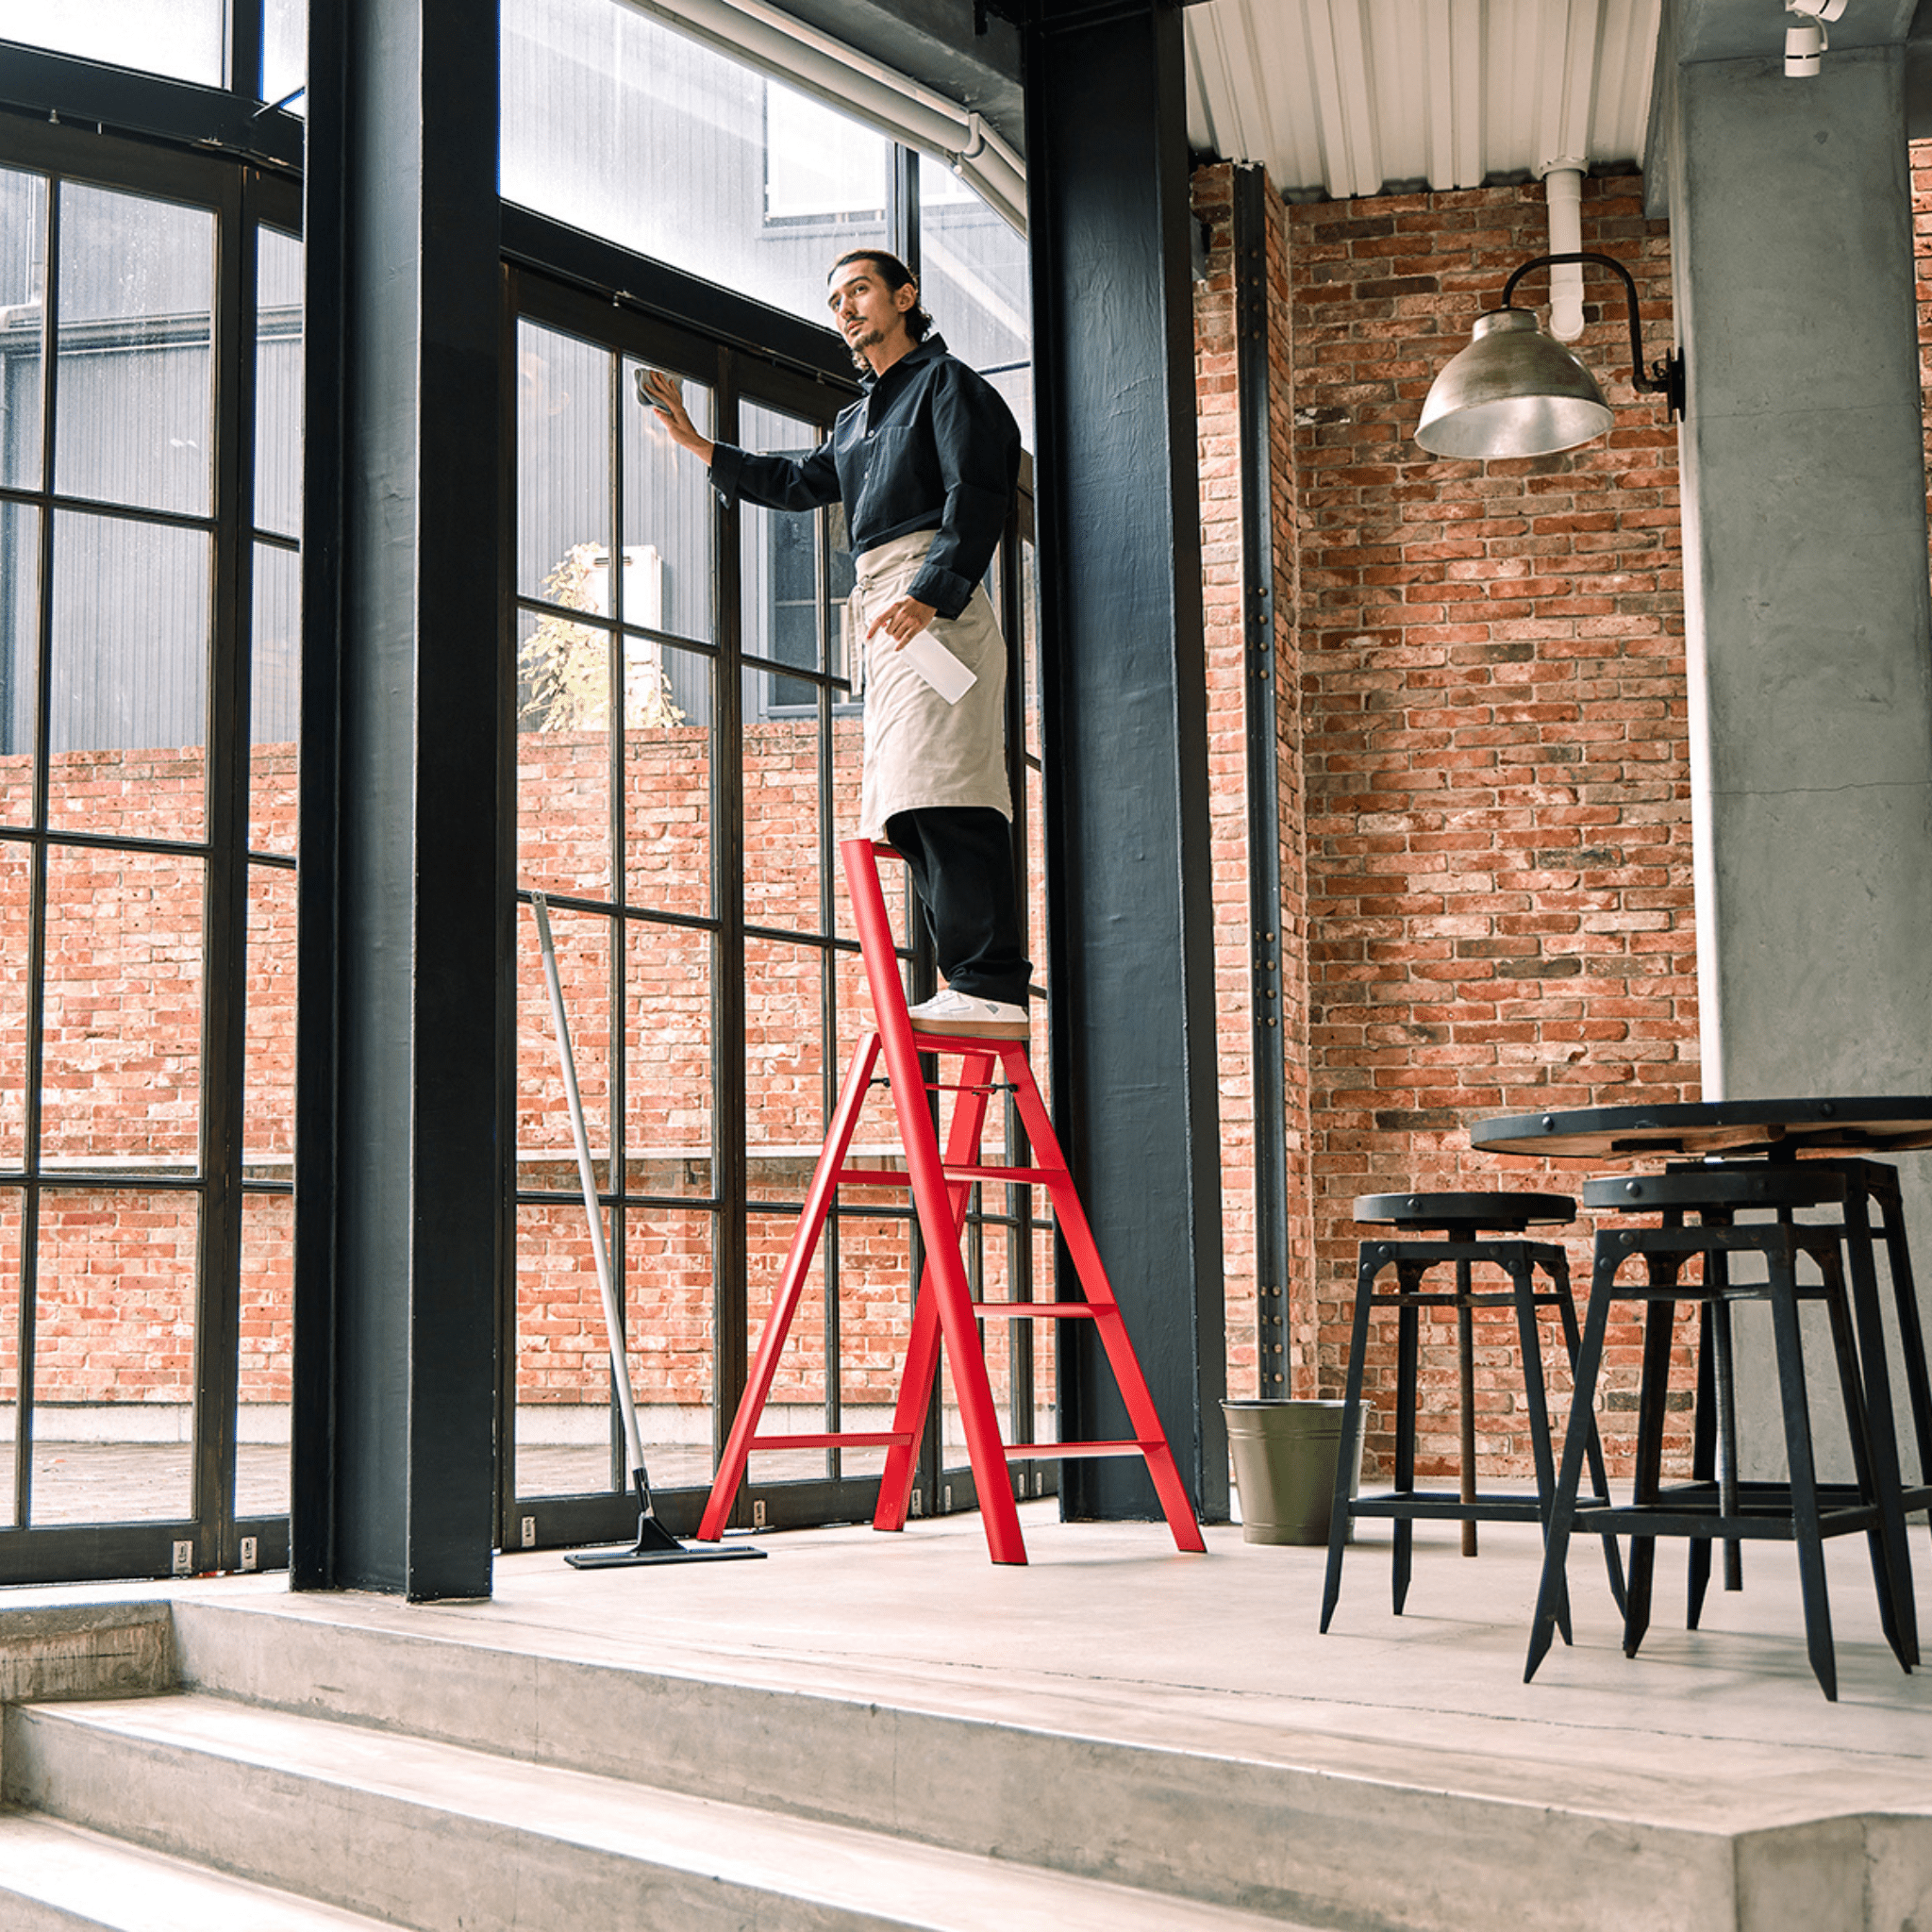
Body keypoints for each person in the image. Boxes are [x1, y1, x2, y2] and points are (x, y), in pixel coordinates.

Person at [640, 248, 1031, 1040]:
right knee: (906, 799)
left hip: (932, 604)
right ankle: (971, 979)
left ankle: (990, 982)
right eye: (835, 300)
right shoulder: (855, 421)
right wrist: (698, 445)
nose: (846, 309)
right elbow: (796, 483)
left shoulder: (948, 388)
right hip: (888, 611)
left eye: (860, 290)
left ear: (905, 297)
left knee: (947, 786)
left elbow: (979, 493)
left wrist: (932, 589)